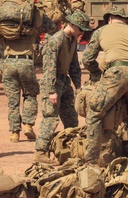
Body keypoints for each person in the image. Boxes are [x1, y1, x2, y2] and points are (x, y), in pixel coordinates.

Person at [81, 6, 128, 166]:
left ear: (109, 19)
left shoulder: (102, 31)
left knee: (95, 112)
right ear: (125, 20)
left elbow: (86, 59)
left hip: (116, 73)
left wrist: (97, 73)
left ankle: (91, 160)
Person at [34, 10, 89, 161]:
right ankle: (40, 152)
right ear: (72, 24)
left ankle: (69, 149)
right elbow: (49, 67)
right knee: (50, 118)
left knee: (71, 118)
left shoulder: (72, 41)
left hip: (64, 81)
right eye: (80, 28)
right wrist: (52, 90)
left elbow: (74, 65)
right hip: (52, 82)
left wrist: (78, 86)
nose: (82, 32)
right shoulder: (55, 40)